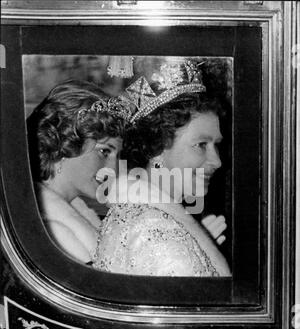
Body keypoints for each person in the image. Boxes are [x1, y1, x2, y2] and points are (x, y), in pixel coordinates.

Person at [93, 60, 231, 277]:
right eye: (201, 145)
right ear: (158, 146)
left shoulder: (146, 215)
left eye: (216, 145)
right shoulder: (158, 232)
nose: (217, 161)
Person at [27, 80, 125, 264]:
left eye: (117, 155)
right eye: (104, 152)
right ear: (63, 146)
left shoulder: (78, 214)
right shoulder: (51, 232)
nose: (113, 170)